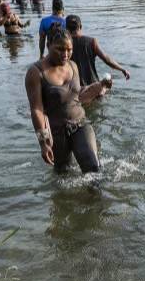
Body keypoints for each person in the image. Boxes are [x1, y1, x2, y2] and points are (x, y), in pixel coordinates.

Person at [25, 25, 112, 174]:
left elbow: (78, 96)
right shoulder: (36, 73)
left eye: (69, 49)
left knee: (93, 169)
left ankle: (96, 197)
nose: (65, 54)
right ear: (48, 45)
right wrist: (43, 142)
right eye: (60, 49)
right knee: (62, 175)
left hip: (80, 124)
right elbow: (37, 109)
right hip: (57, 133)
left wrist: (100, 86)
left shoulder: (73, 65)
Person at [64, 15, 131, 86]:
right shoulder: (91, 41)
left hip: (74, 87)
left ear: (66, 28)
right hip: (93, 85)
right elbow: (107, 59)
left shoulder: (63, 44)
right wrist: (122, 69)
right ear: (80, 26)